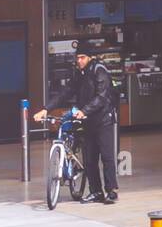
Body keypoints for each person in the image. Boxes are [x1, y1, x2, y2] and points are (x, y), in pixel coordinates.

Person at [35, 49, 119, 203]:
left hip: (103, 119)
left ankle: (111, 190)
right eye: (77, 57)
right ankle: (96, 192)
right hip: (87, 120)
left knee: (107, 156)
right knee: (89, 158)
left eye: (82, 57)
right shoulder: (78, 74)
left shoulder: (99, 70)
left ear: (90, 57)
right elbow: (65, 93)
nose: (79, 60)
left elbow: (101, 97)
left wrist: (84, 111)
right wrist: (46, 109)